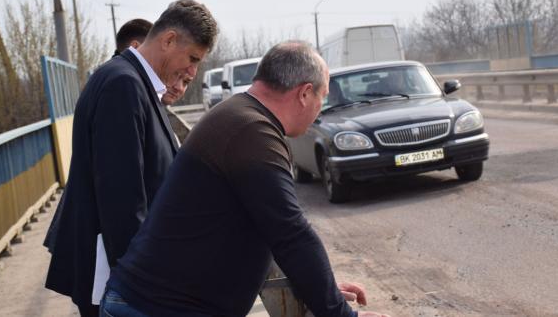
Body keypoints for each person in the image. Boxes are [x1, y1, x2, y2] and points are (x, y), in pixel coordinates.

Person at [101, 41, 389, 317]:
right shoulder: (252, 132)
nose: (320, 107)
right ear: (304, 93)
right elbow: (291, 233)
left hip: (155, 304)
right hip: (156, 308)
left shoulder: (240, 115)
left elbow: (267, 224)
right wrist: (339, 313)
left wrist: (319, 287)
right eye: (322, 97)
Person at [44, 0, 218, 316]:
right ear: (168, 40)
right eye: (192, 58)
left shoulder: (129, 80)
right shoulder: (123, 85)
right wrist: (145, 286)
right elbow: (122, 201)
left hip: (123, 279)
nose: (193, 71)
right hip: (120, 284)